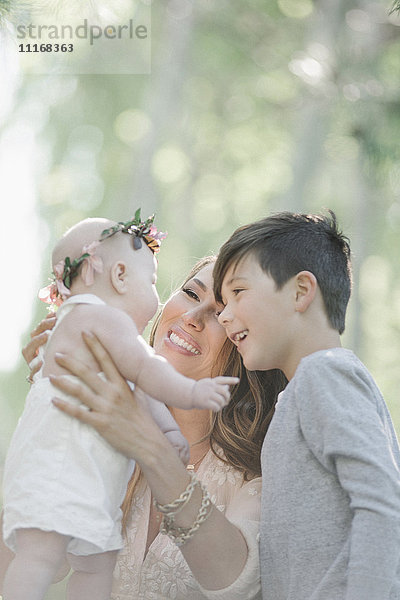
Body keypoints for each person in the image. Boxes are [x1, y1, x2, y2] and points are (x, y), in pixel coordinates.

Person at [5, 255, 288, 599]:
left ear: (244, 343)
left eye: (219, 312)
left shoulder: (256, 476)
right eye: (191, 293)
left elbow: (235, 581)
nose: (192, 318)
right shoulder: (101, 440)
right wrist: (51, 412)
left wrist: (148, 445)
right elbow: (21, 558)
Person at [212, 210, 400, 600]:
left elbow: (382, 504)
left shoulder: (325, 374)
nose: (225, 316)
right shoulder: (303, 390)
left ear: (301, 291)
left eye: (238, 292)